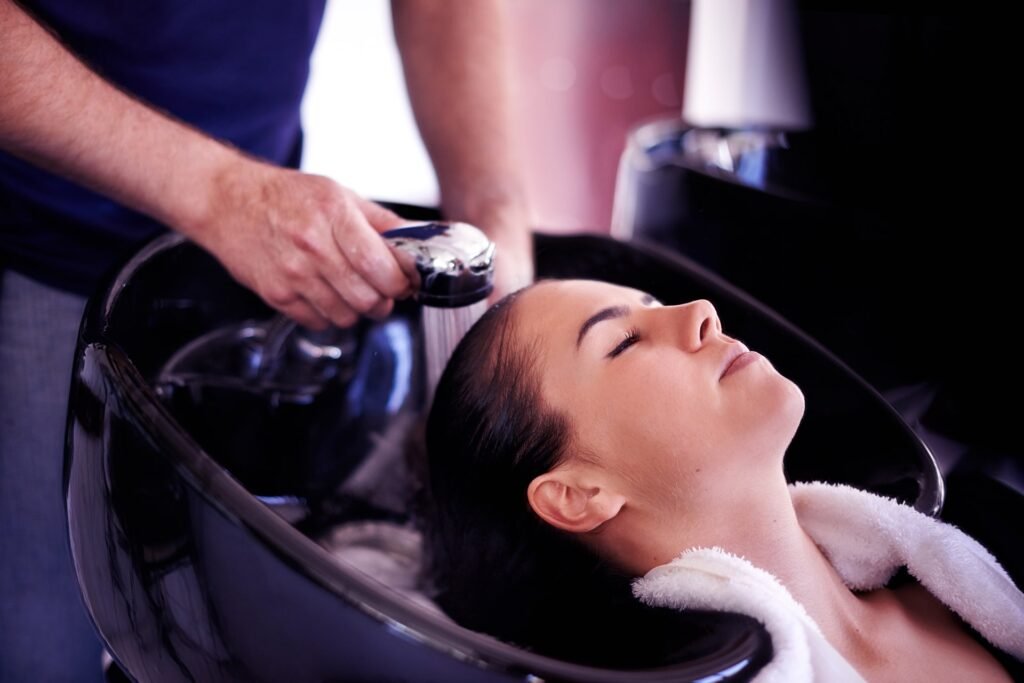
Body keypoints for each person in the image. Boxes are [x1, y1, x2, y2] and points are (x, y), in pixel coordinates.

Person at [0, 1, 532, 679]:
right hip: (40, 223)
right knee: (39, 648)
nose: (697, 319)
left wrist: (495, 210)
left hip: (247, 218)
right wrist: (220, 192)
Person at [422, 279, 1023, 681]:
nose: (701, 314)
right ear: (577, 495)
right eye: (625, 340)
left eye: (657, 305)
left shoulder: (997, 540)